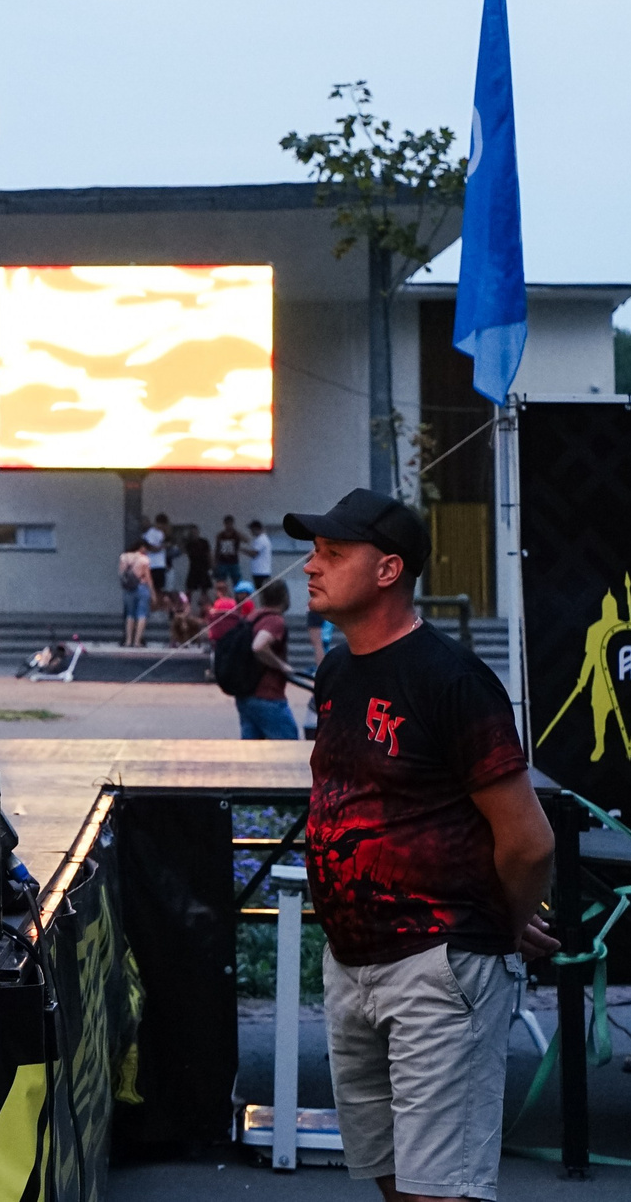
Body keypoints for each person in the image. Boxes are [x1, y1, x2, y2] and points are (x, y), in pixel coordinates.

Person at [291, 487, 556, 1202]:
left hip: (436, 966)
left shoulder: (452, 679)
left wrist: (495, 921)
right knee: (391, 1174)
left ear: (387, 570)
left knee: (442, 1190)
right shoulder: (337, 671)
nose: (310, 566)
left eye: (332, 552)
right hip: (353, 963)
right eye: (314, 550)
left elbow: (529, 840)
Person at [230, 579, 299, 741]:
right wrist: (282, 665)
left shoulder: (252, 617)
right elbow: (259, 646)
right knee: (288, 746)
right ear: (285, 596)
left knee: (252, 752)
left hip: (246, 694)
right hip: (268, 696)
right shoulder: (275, 621)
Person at [118, 538, 155, 648]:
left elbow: (121, 574)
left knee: (130, 614)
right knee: (142, 614)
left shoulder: (124, 557)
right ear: (142, 547)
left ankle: (128, 640)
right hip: (141, 587)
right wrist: (153, 593)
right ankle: (137, 641)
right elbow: (148, 578)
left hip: (128, 588)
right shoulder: (144, 559)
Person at [142, 514, 170, 603]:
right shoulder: (146, 534)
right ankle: (153, 607)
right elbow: (150, 548)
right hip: (151, 565)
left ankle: (159, 607)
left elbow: (155, 548)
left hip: (159, 565)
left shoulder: (159, 533)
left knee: (159, 589)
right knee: (151, 588)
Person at [213, 516, 245, 591]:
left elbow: (246, 540)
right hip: (222, 561)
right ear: (224, 524)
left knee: (237, 582)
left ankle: (239, 597)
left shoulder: (236, 534)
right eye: (227, 524)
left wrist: (237, 533)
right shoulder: (220, 535)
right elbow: (217, 549)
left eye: (230, 523)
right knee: (221, 582)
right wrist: (215, 562)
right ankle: (221, 597)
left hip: (233, 561)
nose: (229, 525)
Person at [247, 519, 276, 590]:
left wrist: (241, 549)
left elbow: (254, 553)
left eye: (251, 529)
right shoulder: (258, 539)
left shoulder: (261, 539)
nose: (251, 532)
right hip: (258, 571)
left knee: (262, 591)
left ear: (256, 529)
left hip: (262, 572)